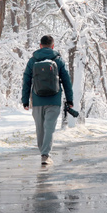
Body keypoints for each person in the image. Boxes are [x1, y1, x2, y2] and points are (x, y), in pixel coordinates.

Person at [22, 35, 73, 165]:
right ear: (53, 46)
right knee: (49, 127)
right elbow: (66, 81)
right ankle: (45, 155)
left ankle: (43, 153)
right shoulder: (58, 60)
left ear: (40, 45)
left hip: (37, 100)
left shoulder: (33, 60)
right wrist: (69, 99)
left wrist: (25, 100)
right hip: (54, 100)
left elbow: (26, 81)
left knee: (40, 128)